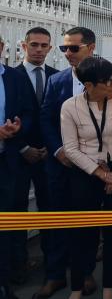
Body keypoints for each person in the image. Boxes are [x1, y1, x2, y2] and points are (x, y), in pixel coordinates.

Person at [60, 57, 112, 299]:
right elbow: (70, 149)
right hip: (86, 173)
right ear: (89, 85)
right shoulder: (70, 106)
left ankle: (108, 287)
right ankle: (77, 287)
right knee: (82, 233)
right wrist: (103, 175)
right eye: (108, 82)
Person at [38, 27, 98, 299]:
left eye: (74, 48)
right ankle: (55, 276)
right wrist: (59, 149)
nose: (68, 53)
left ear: (91, 48)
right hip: (60, 166)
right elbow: (46, 119)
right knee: (57, 220)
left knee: (86, 222)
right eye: (64, 48)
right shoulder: (57, 81)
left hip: (90, 167)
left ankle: (84, 273)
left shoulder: (109, 80)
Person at [12, 27, 57, 284]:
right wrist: (23, 148)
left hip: (49, 156)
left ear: (50, 48)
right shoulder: (11, 76)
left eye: (44, 45)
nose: (39, 50)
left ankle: (52, 264)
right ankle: (18, 265)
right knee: (16, 211)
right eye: (34, 45)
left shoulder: (55, 76)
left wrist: (50, 147)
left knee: (49, 209)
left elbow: (57, 117)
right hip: (18, 157)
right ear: (24, 45)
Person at [0, 34, 33, 299]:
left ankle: (6, 278)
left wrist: (17, 128)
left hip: (8, 161)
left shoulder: (15, 77)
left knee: (7, 221)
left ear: (2, 48)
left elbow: (29, 111)